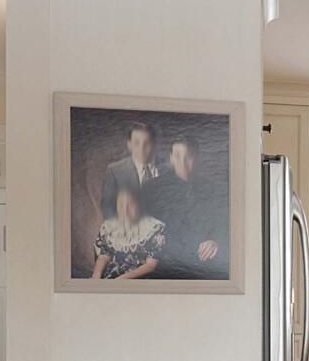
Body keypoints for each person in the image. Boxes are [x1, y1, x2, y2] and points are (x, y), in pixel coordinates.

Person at [150, 135, 226, 275]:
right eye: (178, 156)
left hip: (204, 264)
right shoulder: (153, 189)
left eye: (189, 156)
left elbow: (225, 225)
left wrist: (215, 241)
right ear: (171, 158)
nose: (183, 163)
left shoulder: (214, 189)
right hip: (163, 265)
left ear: (197, 158)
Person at [90, 180, 165, 280]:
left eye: (130, 205)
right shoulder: (110, 226)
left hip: (140, 279)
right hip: (112, 277)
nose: (125, 210)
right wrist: (96, 276)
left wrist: (121, 280)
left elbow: (151, 265)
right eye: (121, 204)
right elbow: (104, 256)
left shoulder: (154, 228)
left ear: (139, 205)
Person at [99, 120, 162, 216]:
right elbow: (107, 208)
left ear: (154, 145)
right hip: (126, 228)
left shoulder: (168, 168)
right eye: (137, 143)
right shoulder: (115, 171)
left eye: (147, 143)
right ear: (129, 145)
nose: (142, 149)